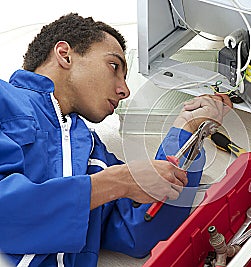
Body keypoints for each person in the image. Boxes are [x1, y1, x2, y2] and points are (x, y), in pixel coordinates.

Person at [0, 13, 232, 267]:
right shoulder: (5, 100)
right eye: (114, 66)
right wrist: (115, 183)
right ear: (65, 54)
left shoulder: (93, 153)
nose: (125, 90)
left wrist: (188, 130)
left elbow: (142, 232)